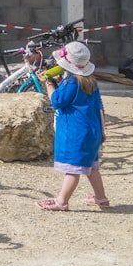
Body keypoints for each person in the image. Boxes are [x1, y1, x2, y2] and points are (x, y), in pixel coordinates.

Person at [37, 42, 110, 211]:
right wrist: (103, 130)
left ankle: (61, 201)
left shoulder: (71, 82)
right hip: (92, 131)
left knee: (73, 168)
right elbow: (99, 106)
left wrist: (49, 84)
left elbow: (57, 101)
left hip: (76, 133)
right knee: (91, 166)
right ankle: (101, 197)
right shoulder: (91, 81)